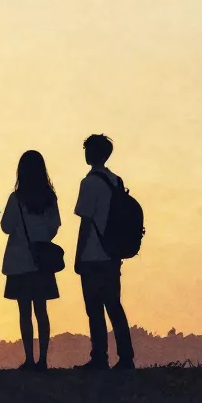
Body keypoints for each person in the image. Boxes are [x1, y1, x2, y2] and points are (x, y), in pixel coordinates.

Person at [73, 134, 135, 370]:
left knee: (94, 309)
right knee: (114, 306)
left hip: (93, 254)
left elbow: (86, 222)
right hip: (112, 252)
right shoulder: (116, 181)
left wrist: (78, 255)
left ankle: (99, 357)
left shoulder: (89, 183)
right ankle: (126, 357)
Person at [0, 150, 61, 371]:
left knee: (24, 312)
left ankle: (29, 358)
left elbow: (6, 226)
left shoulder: (16, 199)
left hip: (19, 261)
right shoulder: (49, 198)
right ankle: (43, 358)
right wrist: (41, 237)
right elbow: (55, 226)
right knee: (41, 311)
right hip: (41, 260)